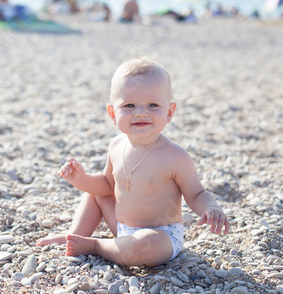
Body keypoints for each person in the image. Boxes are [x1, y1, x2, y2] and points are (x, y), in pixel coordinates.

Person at [37, 58, 230, 266]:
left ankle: (96, 246)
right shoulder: (117, 145)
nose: (140, 112)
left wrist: (211, 208)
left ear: (169, 112)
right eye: (129, 105)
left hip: (160, 235)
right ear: (113, 113)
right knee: (95, 193)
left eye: (153, 105)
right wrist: (81, 179)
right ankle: (74, 235)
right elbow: (107, 185)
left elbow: (197, 193)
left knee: (145, 247)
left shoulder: (175, 156)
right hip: (121, 226)